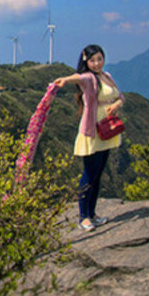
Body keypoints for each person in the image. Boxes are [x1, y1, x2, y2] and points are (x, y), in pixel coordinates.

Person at [53, 44, 125, 232]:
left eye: (99, 59)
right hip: (93, 131)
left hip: (107, 131)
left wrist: (117, 104)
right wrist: (64, 80)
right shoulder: (88, 79)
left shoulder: (107, 77)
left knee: (99, 173)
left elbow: (121, 96)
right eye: (93, 60)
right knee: (89, 174)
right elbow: (79, 77)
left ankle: (92, 214)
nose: (97, 63)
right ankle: (83, 216)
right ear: (87, 61)